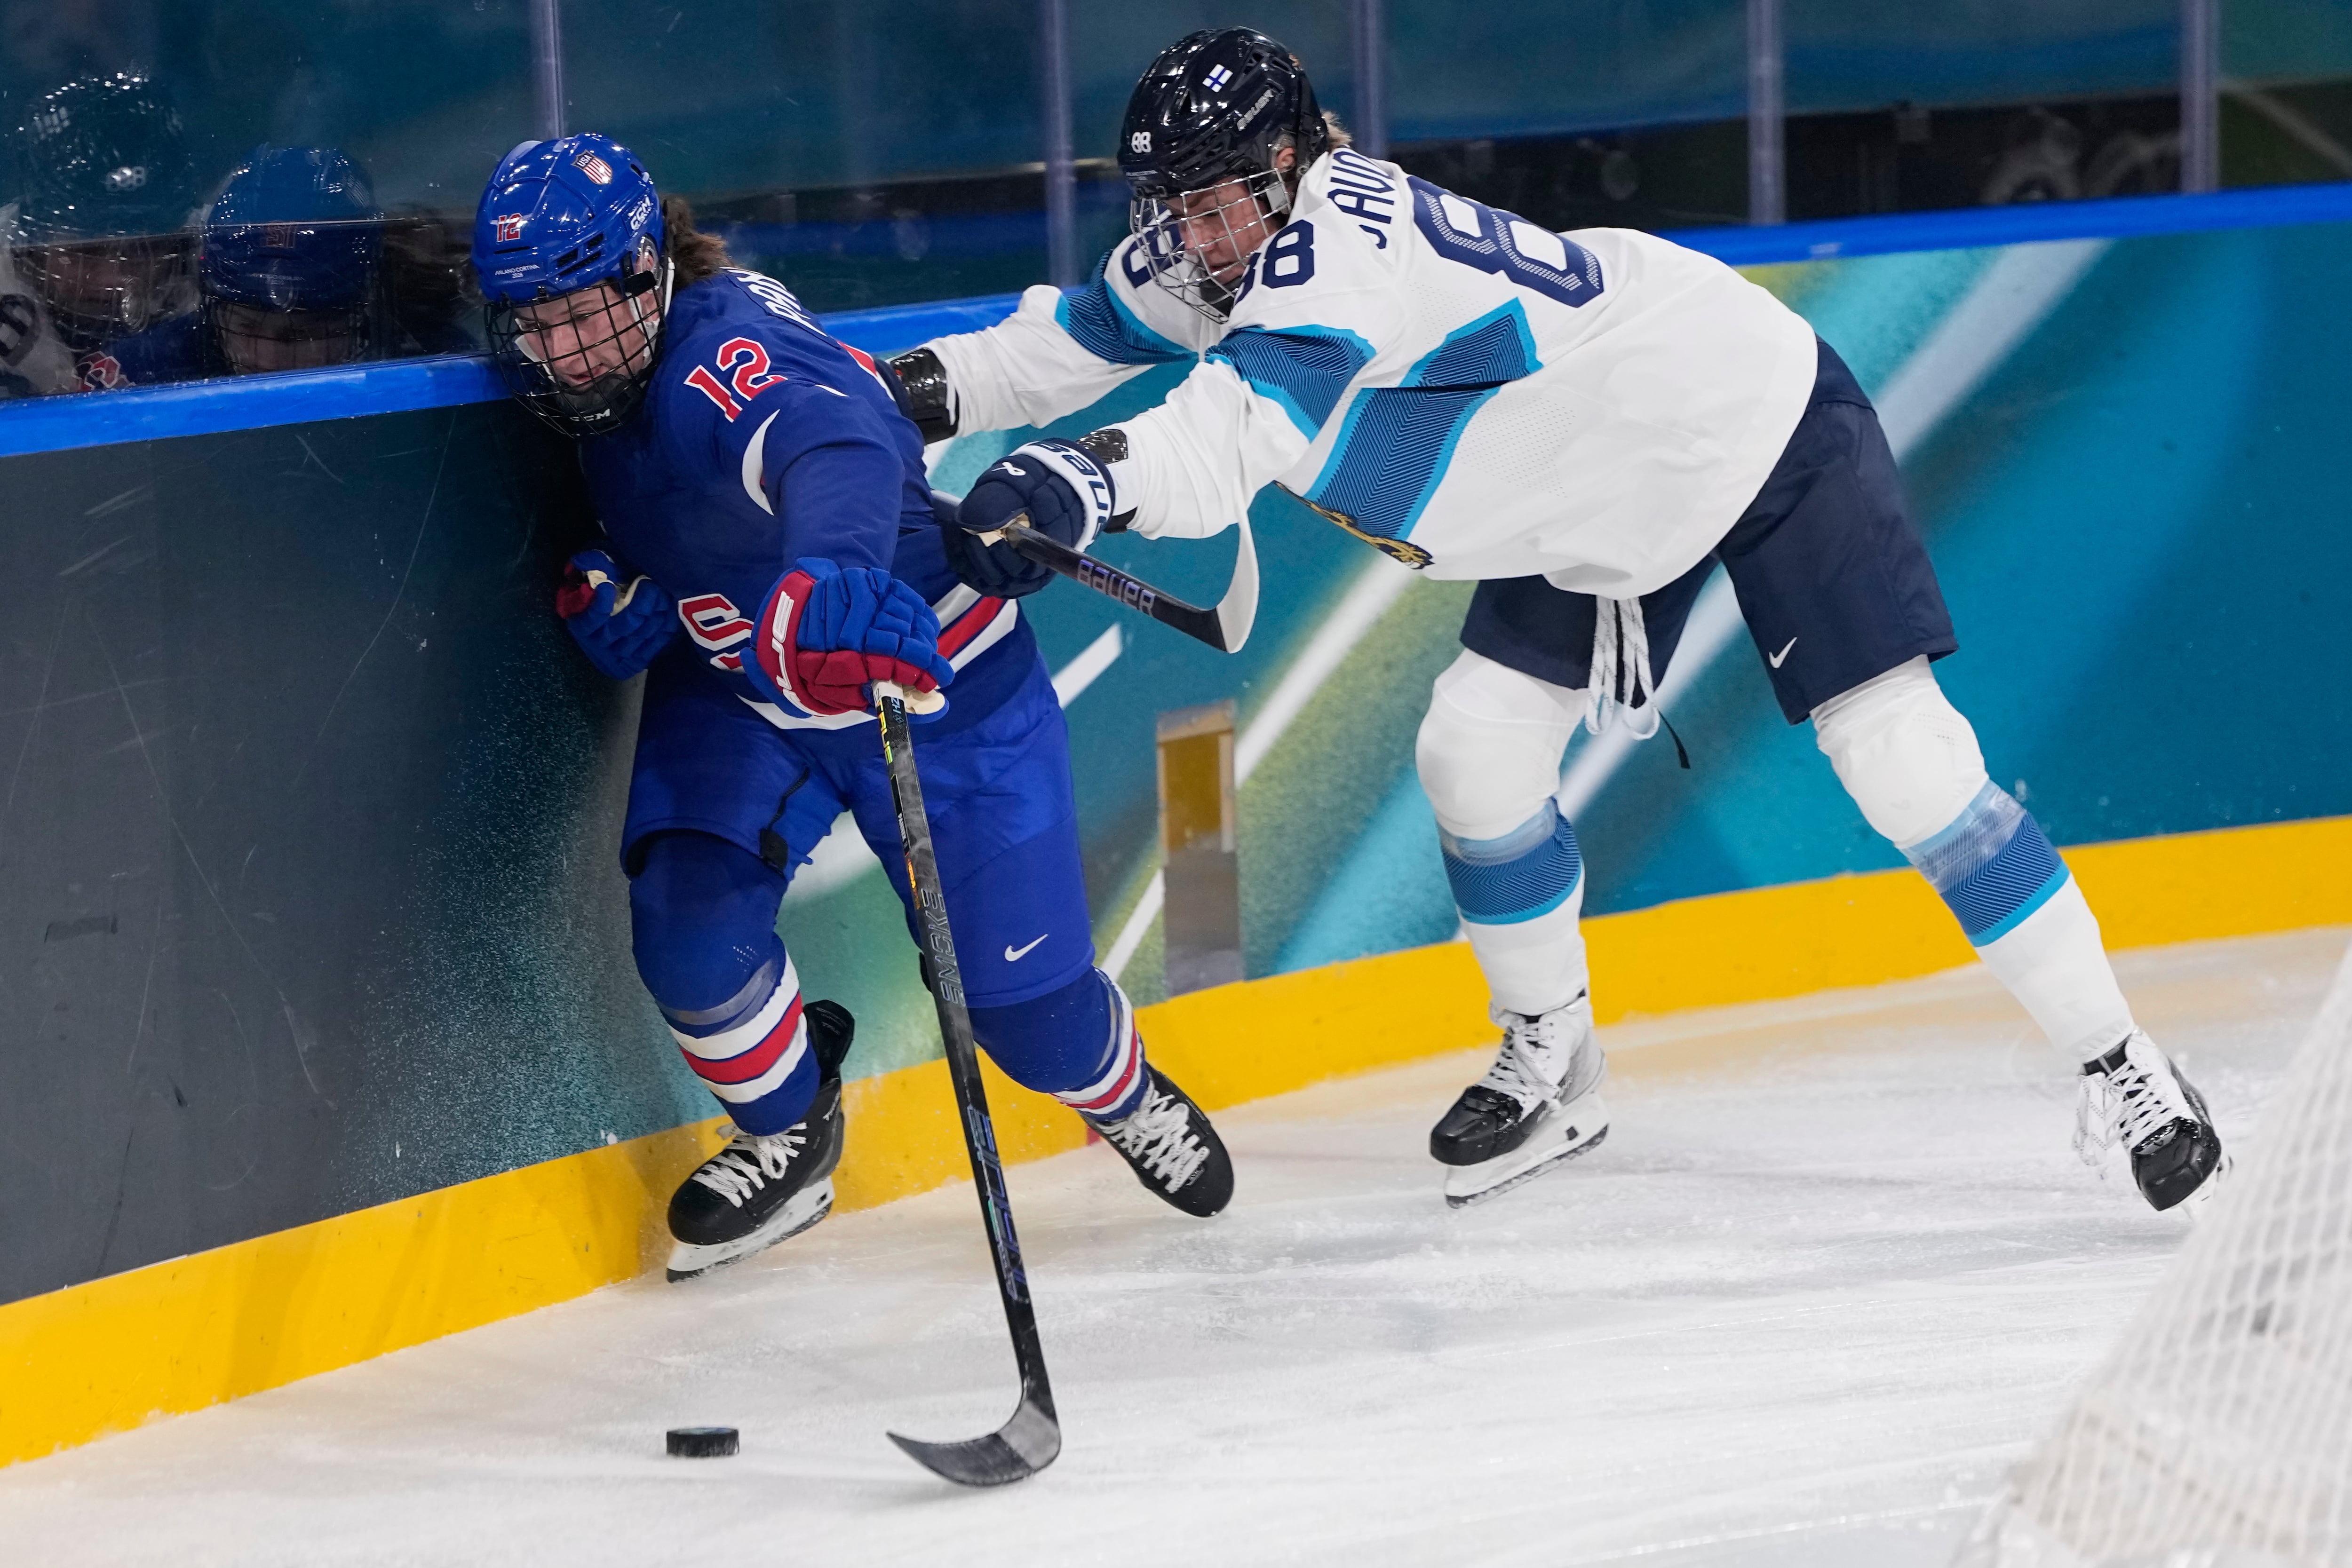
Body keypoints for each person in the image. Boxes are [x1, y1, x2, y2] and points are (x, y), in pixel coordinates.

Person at [896, 29, 2226, 1212]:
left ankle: (2125, 1064)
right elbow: (1052, 350)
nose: (1192, 237)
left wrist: (1080, 482)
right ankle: (1556, 1054)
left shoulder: (1338, 250)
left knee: (1902, 759)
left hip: (1738, 417)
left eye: (1214, 200)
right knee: (1472, 752)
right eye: (1173, 206)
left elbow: (1227, 435)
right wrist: (879, 392)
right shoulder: (1220, 247)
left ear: (1288, 164)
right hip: (1595, 493)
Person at [470, 133, 1234, 1279]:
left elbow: (844, 438)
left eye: (584, 313)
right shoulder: (593, 380)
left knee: (1028, 1021)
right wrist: (620, 581)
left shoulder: (721, 349)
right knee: (689, 939)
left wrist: (830, 569)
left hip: (927, 678)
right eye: (537, 323)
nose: (565, 352)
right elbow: (673, 512)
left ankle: (1119, 1091)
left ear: (647, 272)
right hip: (745, 688)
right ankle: (793, 1132)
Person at [106, 144, 385, 384]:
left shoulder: (408, 363)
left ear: (359, 314)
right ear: (213, 315)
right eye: (246, 327)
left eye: (303, 335)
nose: (267, 360)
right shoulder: (139, 373)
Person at [6, 72, 197, 394]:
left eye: (142, 247)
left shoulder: (225, 257)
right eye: (87, 249)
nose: (113, 278)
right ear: (32, 235)